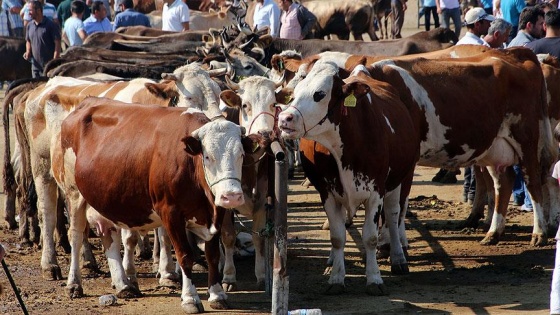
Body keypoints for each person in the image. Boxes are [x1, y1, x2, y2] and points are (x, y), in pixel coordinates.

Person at [23, 0, 61, 78]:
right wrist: (28, 51)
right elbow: (28, 40)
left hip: (48, 67)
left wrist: (54, 61)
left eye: (30, 10)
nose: (28, 13)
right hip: (35, 66)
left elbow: (58, 43)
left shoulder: (51, 25)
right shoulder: (29, 25)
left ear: (39, 10)